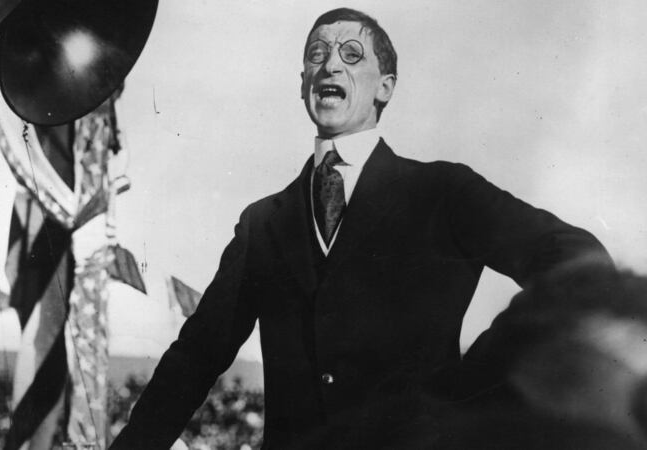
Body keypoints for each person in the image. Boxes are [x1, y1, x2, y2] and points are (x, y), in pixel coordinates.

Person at [110, 7, 611, 449]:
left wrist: (472, 383)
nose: (330, 64)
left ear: (385, 86)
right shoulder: (262, 224)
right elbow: (196, 357)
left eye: (352, 54)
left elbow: (576, 259)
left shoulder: (443, 192)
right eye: (316, 54)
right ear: (302, 80)